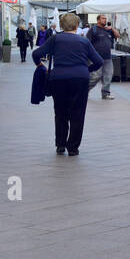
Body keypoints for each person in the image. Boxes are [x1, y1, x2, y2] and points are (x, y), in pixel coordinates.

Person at [31, 12, 103, 156]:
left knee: (60, 112)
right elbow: (99, 61)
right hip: (80, 79)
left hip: (59, 78)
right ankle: (73, 147)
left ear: (62, 25)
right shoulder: (84, 42)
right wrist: (86, 70)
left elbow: (36, 54)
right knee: (78, 112)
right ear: (77, 26)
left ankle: (60, 144)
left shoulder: (55, 39)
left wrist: (41, 66)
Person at [85, 14, 119, 100]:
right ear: (98, 20)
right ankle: (85, 90)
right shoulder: (93, 29)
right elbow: (87, 42)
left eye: (105, 18)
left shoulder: (108, 30)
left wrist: (112, 28)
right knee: (95, 76)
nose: (105, 20)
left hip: (107, 57)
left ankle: (106, 93)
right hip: (95, 58)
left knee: (108, 75)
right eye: (103, 18)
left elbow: (118, 36)